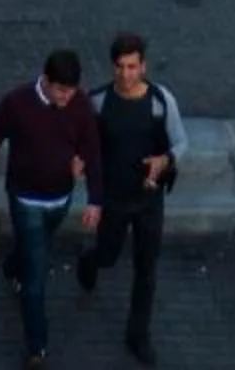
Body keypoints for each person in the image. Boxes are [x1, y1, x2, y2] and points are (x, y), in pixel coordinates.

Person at [0, 49, 104, 369]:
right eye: (61, 90)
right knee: (36, 275)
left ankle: (13, 266)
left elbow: (91, 150)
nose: (66, 98)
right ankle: (37, 346)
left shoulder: (80, 105)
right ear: (46, 80)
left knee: (32, 251)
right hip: (26, 199)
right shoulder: (16, 103)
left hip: (60, 198)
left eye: (71, 91)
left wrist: (95, 198)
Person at [78, 36, 187, 363]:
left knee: (146, 268)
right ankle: (89, 261)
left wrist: (165, 159)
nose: (126, 74)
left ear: (143, 66)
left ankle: (138, 335)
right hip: (113, 198)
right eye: (120, 67)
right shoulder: (98, 102)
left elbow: (181, 142)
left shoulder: (160, 101)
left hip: (149, 200)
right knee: (108, 255)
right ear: (112, 67)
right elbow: (84, 142)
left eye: (132, 67)